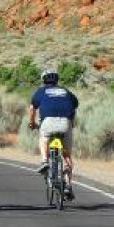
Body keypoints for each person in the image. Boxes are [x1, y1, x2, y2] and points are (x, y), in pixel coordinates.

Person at [28, 68, 79, 200]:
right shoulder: (66, 91)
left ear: (43, 80)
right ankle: (68, 185)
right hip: (65, 123)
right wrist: (71, 123)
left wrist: (32, 123)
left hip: (48, 122)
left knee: (43, 138)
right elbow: (74, 106)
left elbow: (32, 108)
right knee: (67, 154)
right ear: (57, 80)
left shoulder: (41, 91)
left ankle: (45, 161)